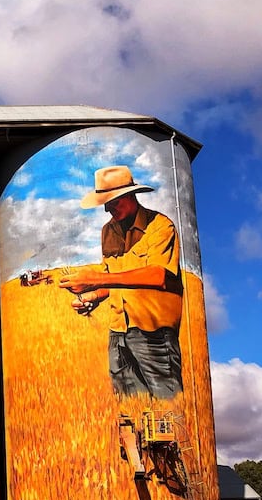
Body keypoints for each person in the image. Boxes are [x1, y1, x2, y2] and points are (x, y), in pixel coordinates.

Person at [58, 166, 183, 399]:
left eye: (112, 202)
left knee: (168, 406)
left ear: (129, 196)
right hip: (118, 330)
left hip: (153, 331)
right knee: (128, 410)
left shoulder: (160, 226)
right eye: (104, 204)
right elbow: (116, 278)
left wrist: (94, 279)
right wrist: (92, 297)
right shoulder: (108, 231)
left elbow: (157, 275)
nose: (107, 209)